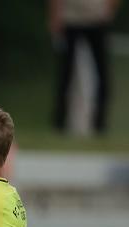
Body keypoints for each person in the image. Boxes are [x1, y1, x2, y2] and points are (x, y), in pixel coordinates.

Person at [50, 0, 119, 134]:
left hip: (97, 19)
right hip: (71, 19)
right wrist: (56, 17)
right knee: (65, 75)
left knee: (103, 75)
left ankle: (99, 125)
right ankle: (59, 123)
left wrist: (109, 10)